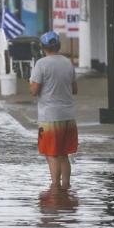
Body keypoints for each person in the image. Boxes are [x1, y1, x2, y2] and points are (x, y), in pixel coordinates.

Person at [29, 31, 78, 189]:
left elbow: (34, 91)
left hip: (49, 116)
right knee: (64, 154)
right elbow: (75, 89)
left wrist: (31, 83)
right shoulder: (67, 62)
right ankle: (66, 187)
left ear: (43, 47)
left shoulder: (41, 64)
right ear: (58, 45)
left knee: (52, 154)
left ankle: (55, 188)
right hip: (68, 116)